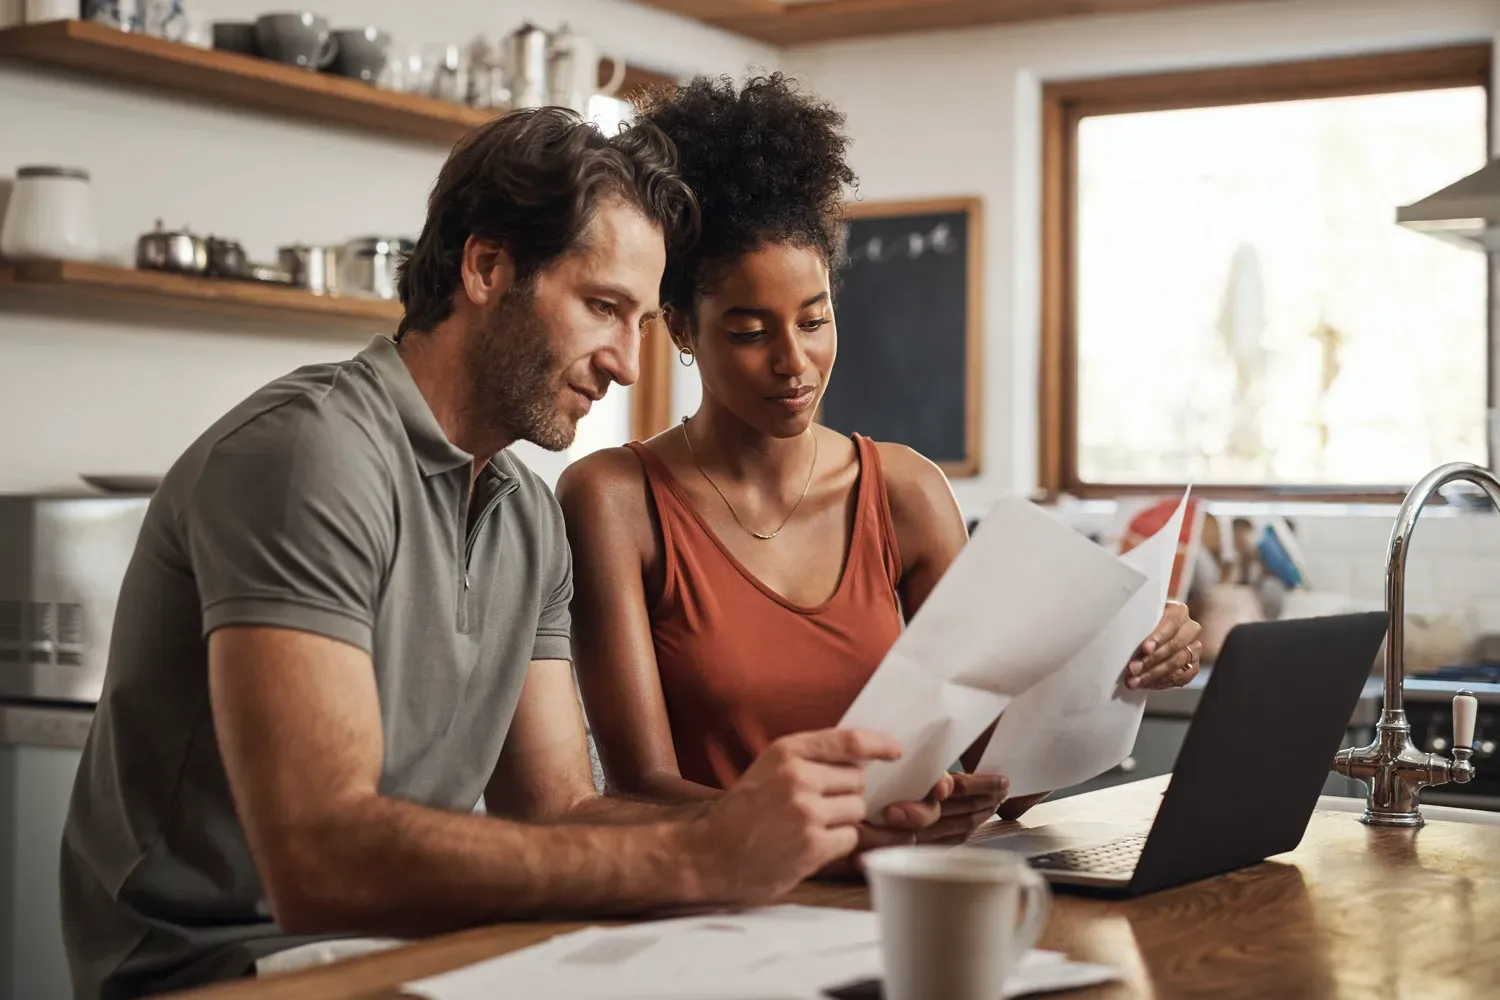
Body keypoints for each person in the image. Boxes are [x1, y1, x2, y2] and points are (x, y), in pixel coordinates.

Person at [59, 108, 949, 999]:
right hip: (226, 967)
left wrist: (806, 827)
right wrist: (701, 853)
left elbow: (558, 810)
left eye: (640, 320)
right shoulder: (310, 457)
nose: (627, 366)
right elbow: (319, 859)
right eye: (603, 308)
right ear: (488, 268)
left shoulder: (526, 514)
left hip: (416, 949)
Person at [558, 76, 1204, 849]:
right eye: (749, 331)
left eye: (815, 319)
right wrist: (843, 831)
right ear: (681, 328)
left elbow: (1002, 777)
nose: (794, 361)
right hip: (718, 908)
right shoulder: (613, 498)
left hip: (896, 894)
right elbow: (640, 790)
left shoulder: (905, 491)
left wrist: (1119, 667)